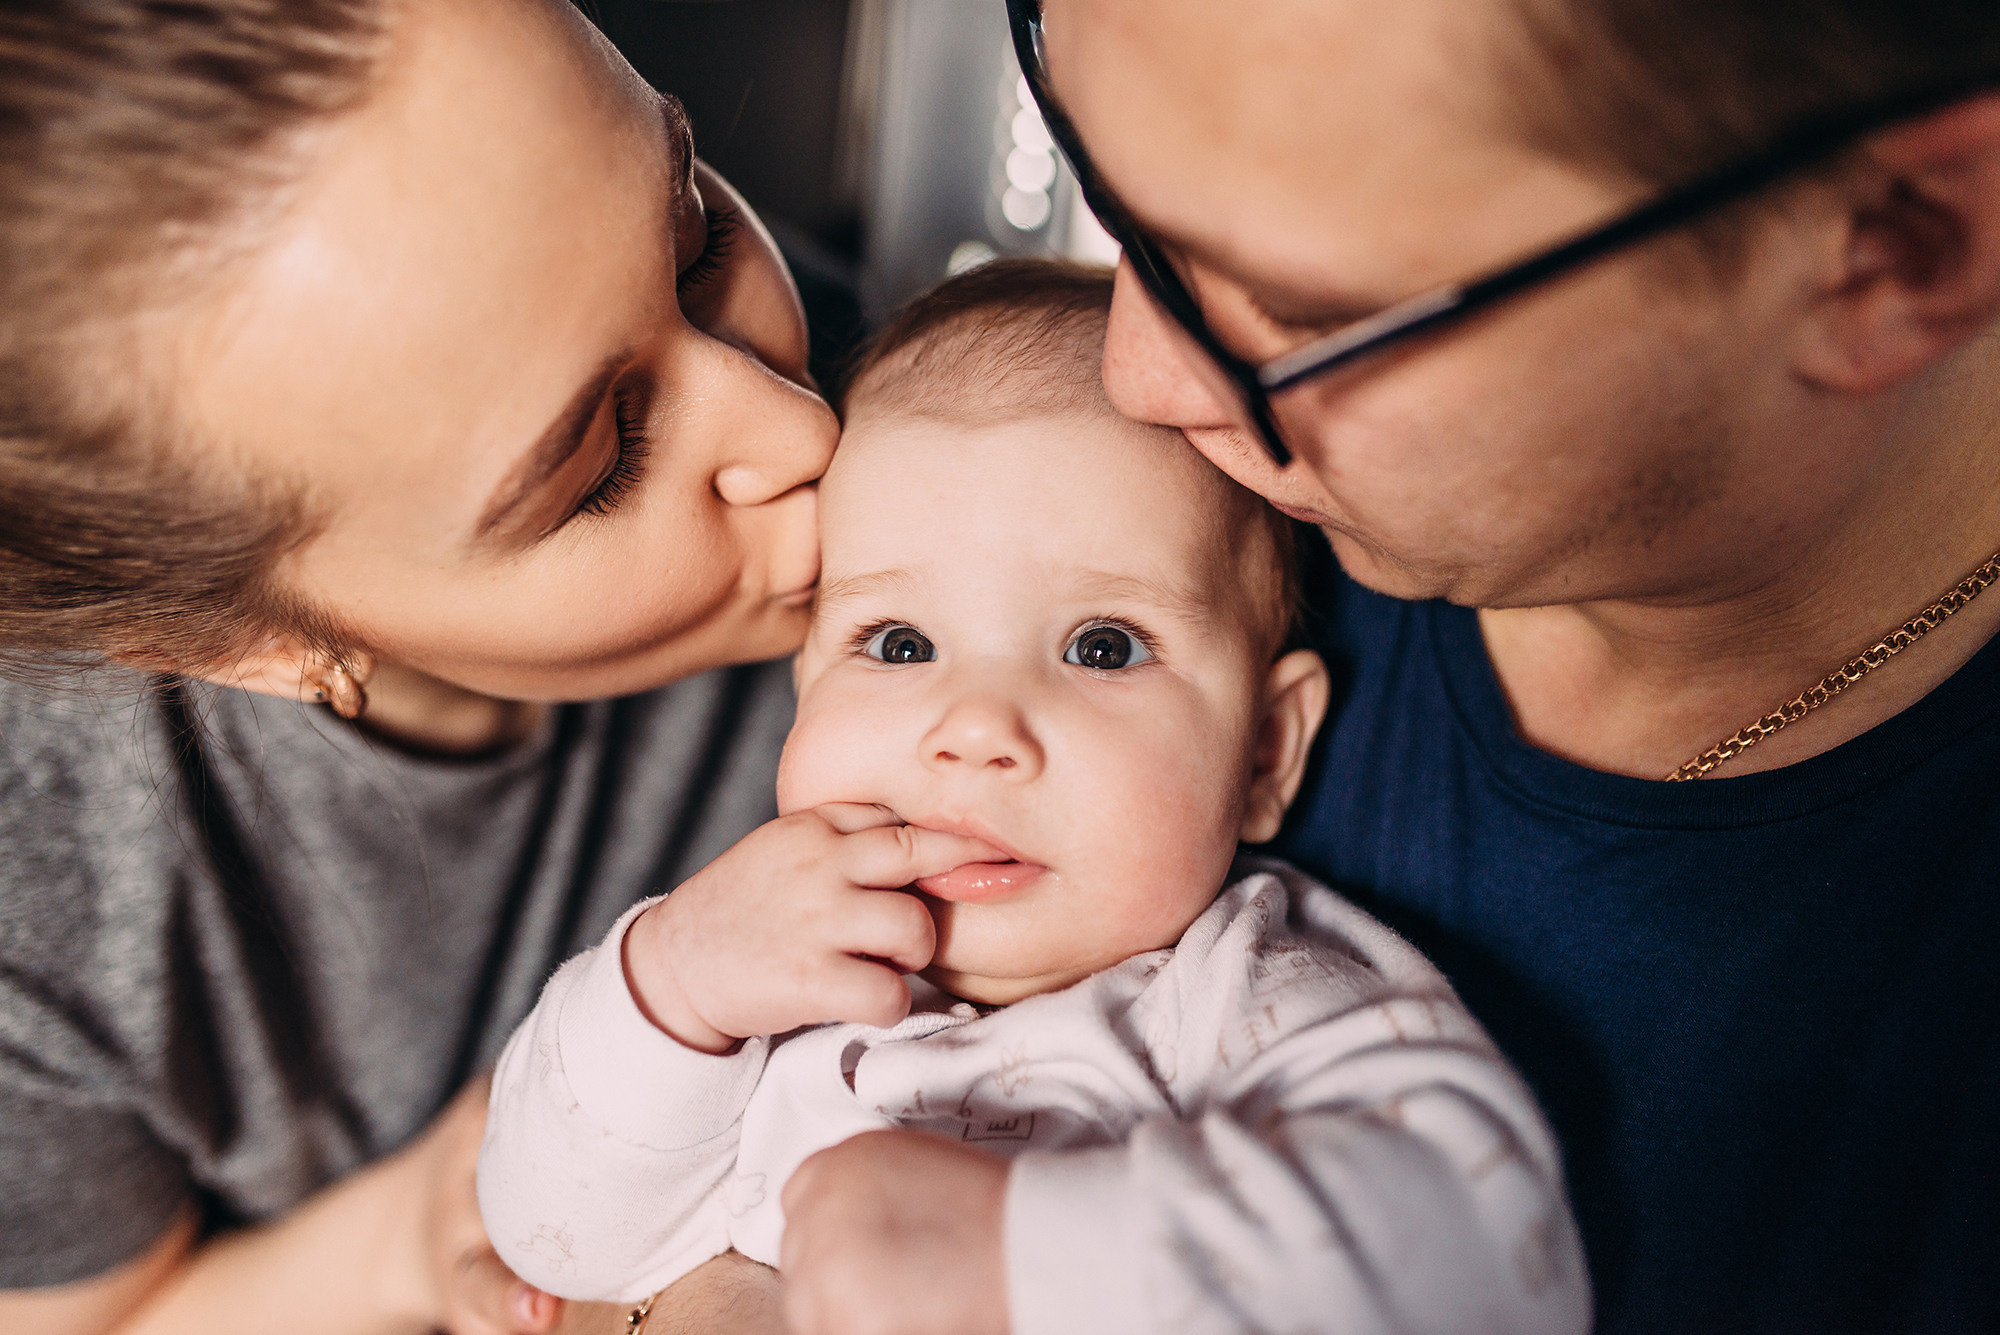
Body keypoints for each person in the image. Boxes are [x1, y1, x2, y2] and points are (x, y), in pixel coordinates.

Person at [993, 0, 1999, 1330]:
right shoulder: (1147, 518)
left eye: (1289, 308)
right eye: (1098, 182)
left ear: (1898, 250)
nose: (1138, 378)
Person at [476, 261, 1590, 1335]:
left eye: (1100, 648)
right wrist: (669, 987)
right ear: (803, 688)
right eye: (899, 643)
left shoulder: (1244, 995)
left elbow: (1492, 1261)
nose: (974, 730)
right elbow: (558, 1238)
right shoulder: (758, 977)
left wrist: (1021, 1246)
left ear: (1262, 753)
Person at [0, 1, 870, 1331]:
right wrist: (414, 1230)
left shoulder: (936, 388)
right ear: (259, 645)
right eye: (602, 469)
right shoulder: (45, 883)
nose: (802, 427)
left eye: (692, 232)